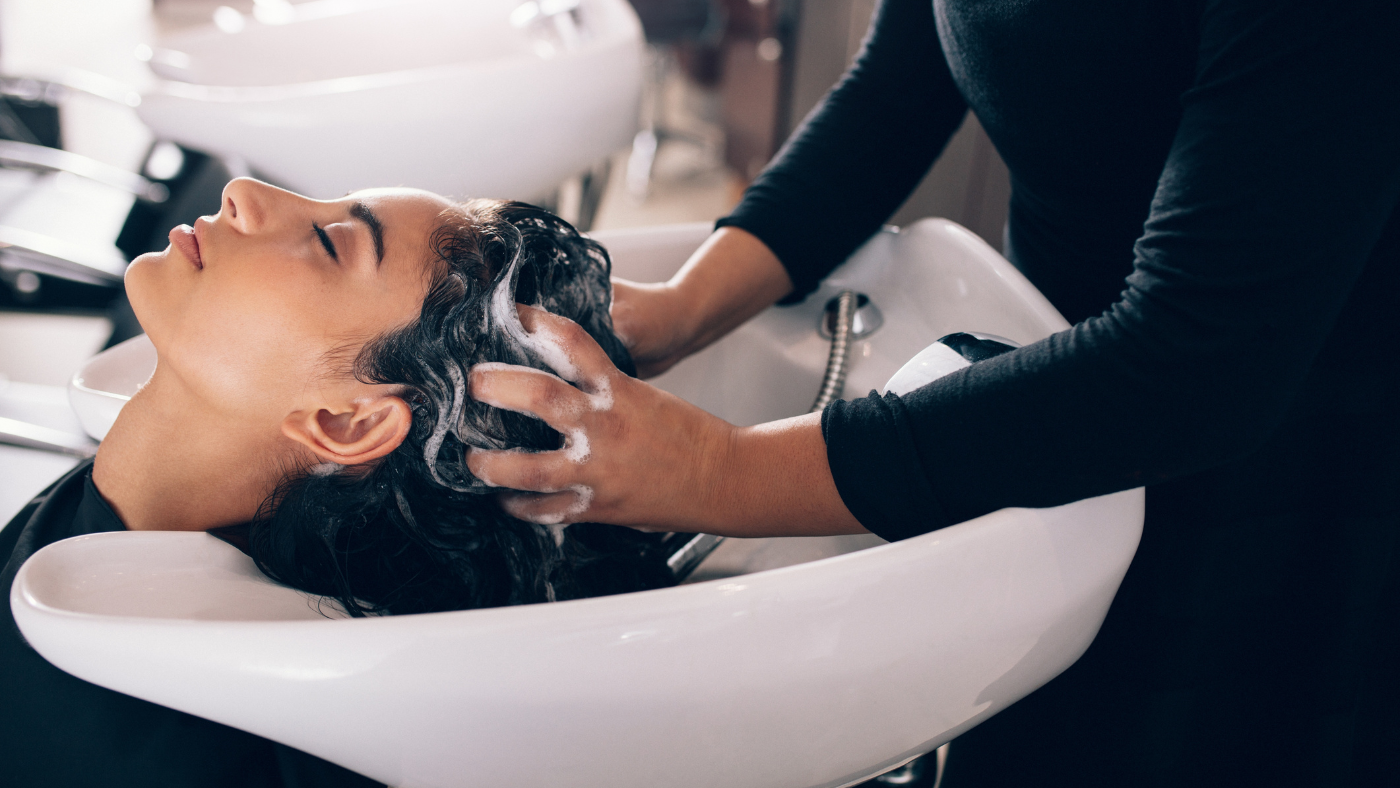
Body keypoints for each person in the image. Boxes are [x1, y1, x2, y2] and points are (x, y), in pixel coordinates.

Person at [464, 0, 1400, 784]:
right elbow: (898, 89)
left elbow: (1199, 369)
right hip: (1048, 381)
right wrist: (684, 309)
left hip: (1284, 451)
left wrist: (721, 468)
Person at [1, 178, 673, 787]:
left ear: (347, 423)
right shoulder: (108, 557)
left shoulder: (167, 750)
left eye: (328, 241)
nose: (244, 192)